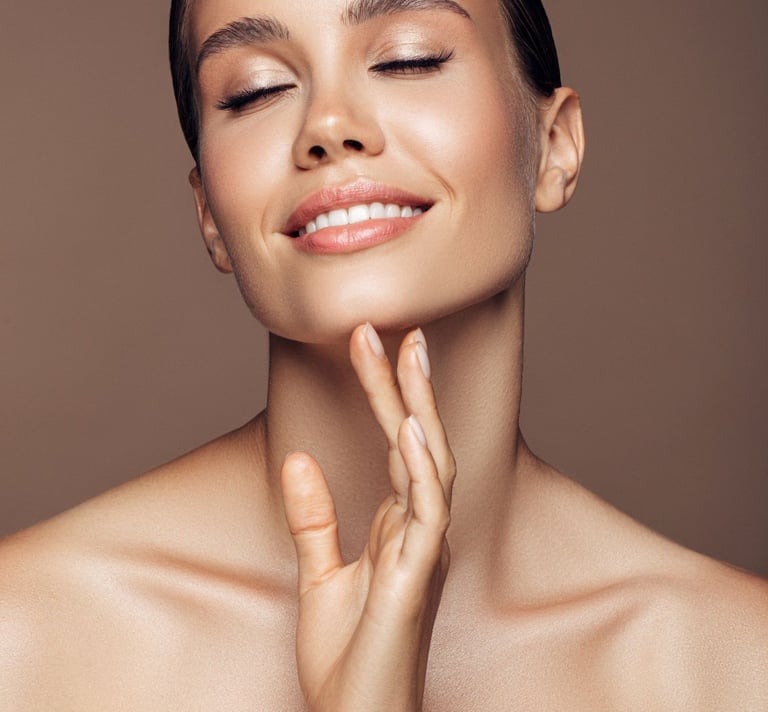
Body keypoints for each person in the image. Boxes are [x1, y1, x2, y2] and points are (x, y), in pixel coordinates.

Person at [1, 0, 766, 709]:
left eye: (408, 59)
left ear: (555, 146)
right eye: (254, 90)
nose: (328, 126)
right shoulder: (26, 638)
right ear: (209, 215)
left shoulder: (733, 664)